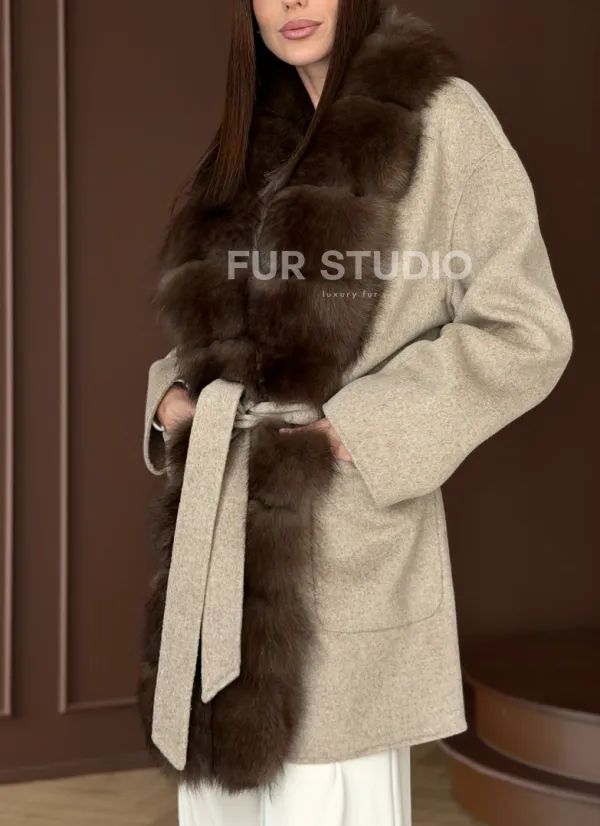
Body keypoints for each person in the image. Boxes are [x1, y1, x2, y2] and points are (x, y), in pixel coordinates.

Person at [137, 1, 573, 824]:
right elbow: (220, 339)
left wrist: (361, 430)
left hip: (343, 546)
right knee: (220, 807)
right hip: (217, 551)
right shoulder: (250, 138)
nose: (291, 2)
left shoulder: (440, 118)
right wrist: (169, 397)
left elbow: (527, 330)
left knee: (328, 799)